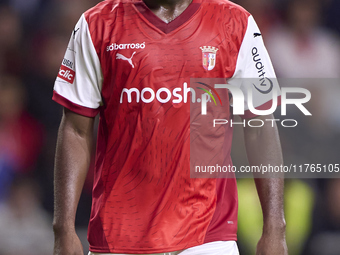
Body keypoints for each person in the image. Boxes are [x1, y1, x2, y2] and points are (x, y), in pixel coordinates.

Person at [52, 0, 287, 254]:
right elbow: (75, 129)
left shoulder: (235, 22)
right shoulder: (96, 24)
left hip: (208, 235)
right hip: (118, 235)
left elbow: (259, 124)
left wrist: (275, 228)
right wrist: (63, 228)